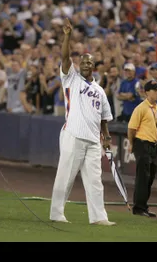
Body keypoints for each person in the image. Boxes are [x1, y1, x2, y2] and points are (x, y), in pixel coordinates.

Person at [49, 18, 116, 226]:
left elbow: (104, 117)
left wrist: (106, 137)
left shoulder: (99, 91)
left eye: (90, 62)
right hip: (73, 134)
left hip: (94, 140)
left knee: (95, 181)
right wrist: (67, 35)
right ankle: (56, 213)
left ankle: (98, 217)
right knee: (66, 176)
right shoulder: (71, 78)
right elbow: (65, 56)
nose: (86, 64)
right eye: (84, 61)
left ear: (94, 66)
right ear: (80, 65)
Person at [127, 79, 157, 217]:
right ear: (147, 92)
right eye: (155, 90)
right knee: (143, 176)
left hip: (153, 144)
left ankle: (143, 206)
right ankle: (139, 208)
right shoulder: (141, 108)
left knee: (150, 176)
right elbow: (131, 128)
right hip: (142, 143)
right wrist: (132, 144)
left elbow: (155, 126)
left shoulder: (156, 107)